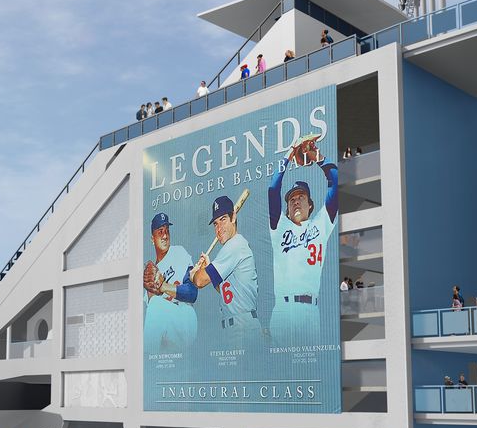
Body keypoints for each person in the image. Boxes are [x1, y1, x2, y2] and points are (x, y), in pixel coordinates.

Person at [268, 134, 340, 345]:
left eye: (301, 197)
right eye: (291, 199)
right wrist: (290, 153)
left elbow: (335, 182)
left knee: (310, 371)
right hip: (283, 310)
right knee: (281, 371)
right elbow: (273, 189)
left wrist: (316, 155)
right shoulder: (279, 227)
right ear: (287, 209)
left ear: (311, 205)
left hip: (311, 312)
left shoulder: (321, 223)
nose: (296, 201)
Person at [186, 196, 259, 335]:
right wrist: (208, 268)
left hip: (242, 327)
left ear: (233, 217)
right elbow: (227, 292)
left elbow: (199, 281)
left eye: (223, 219)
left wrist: (193, 274)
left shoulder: (235, 245)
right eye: (215, 223)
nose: (219, 228)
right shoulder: (233, 247)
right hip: (237, 325)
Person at [143, 211, 200, 353]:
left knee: (155, 305)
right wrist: (150, 292)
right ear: (152, 238)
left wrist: (163, 286)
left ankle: (147, 363)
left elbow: (192, 293)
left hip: (185, 317)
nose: (165, 235)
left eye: (167, 231)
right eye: (160, 231)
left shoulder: (178, 252)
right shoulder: (152, 273)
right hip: (170, 329)